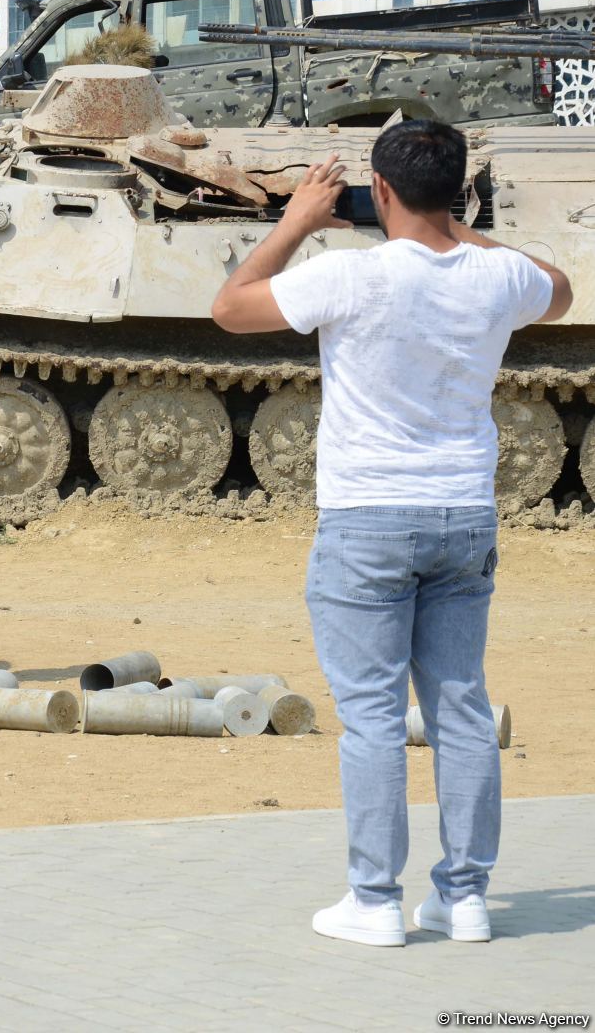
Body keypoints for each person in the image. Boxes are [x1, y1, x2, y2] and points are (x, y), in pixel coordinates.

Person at [211, 120, 572, 947]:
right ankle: (464, 899)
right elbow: (558, 289)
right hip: (462, 517)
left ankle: (373, 901)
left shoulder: (348, 274)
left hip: (367, 517)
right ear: (456, 191)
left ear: (377, 191)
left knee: (372, 718)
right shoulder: (498, 276)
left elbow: (229, 308)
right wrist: (455, 232)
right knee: (461, 709)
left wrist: (295, 222)